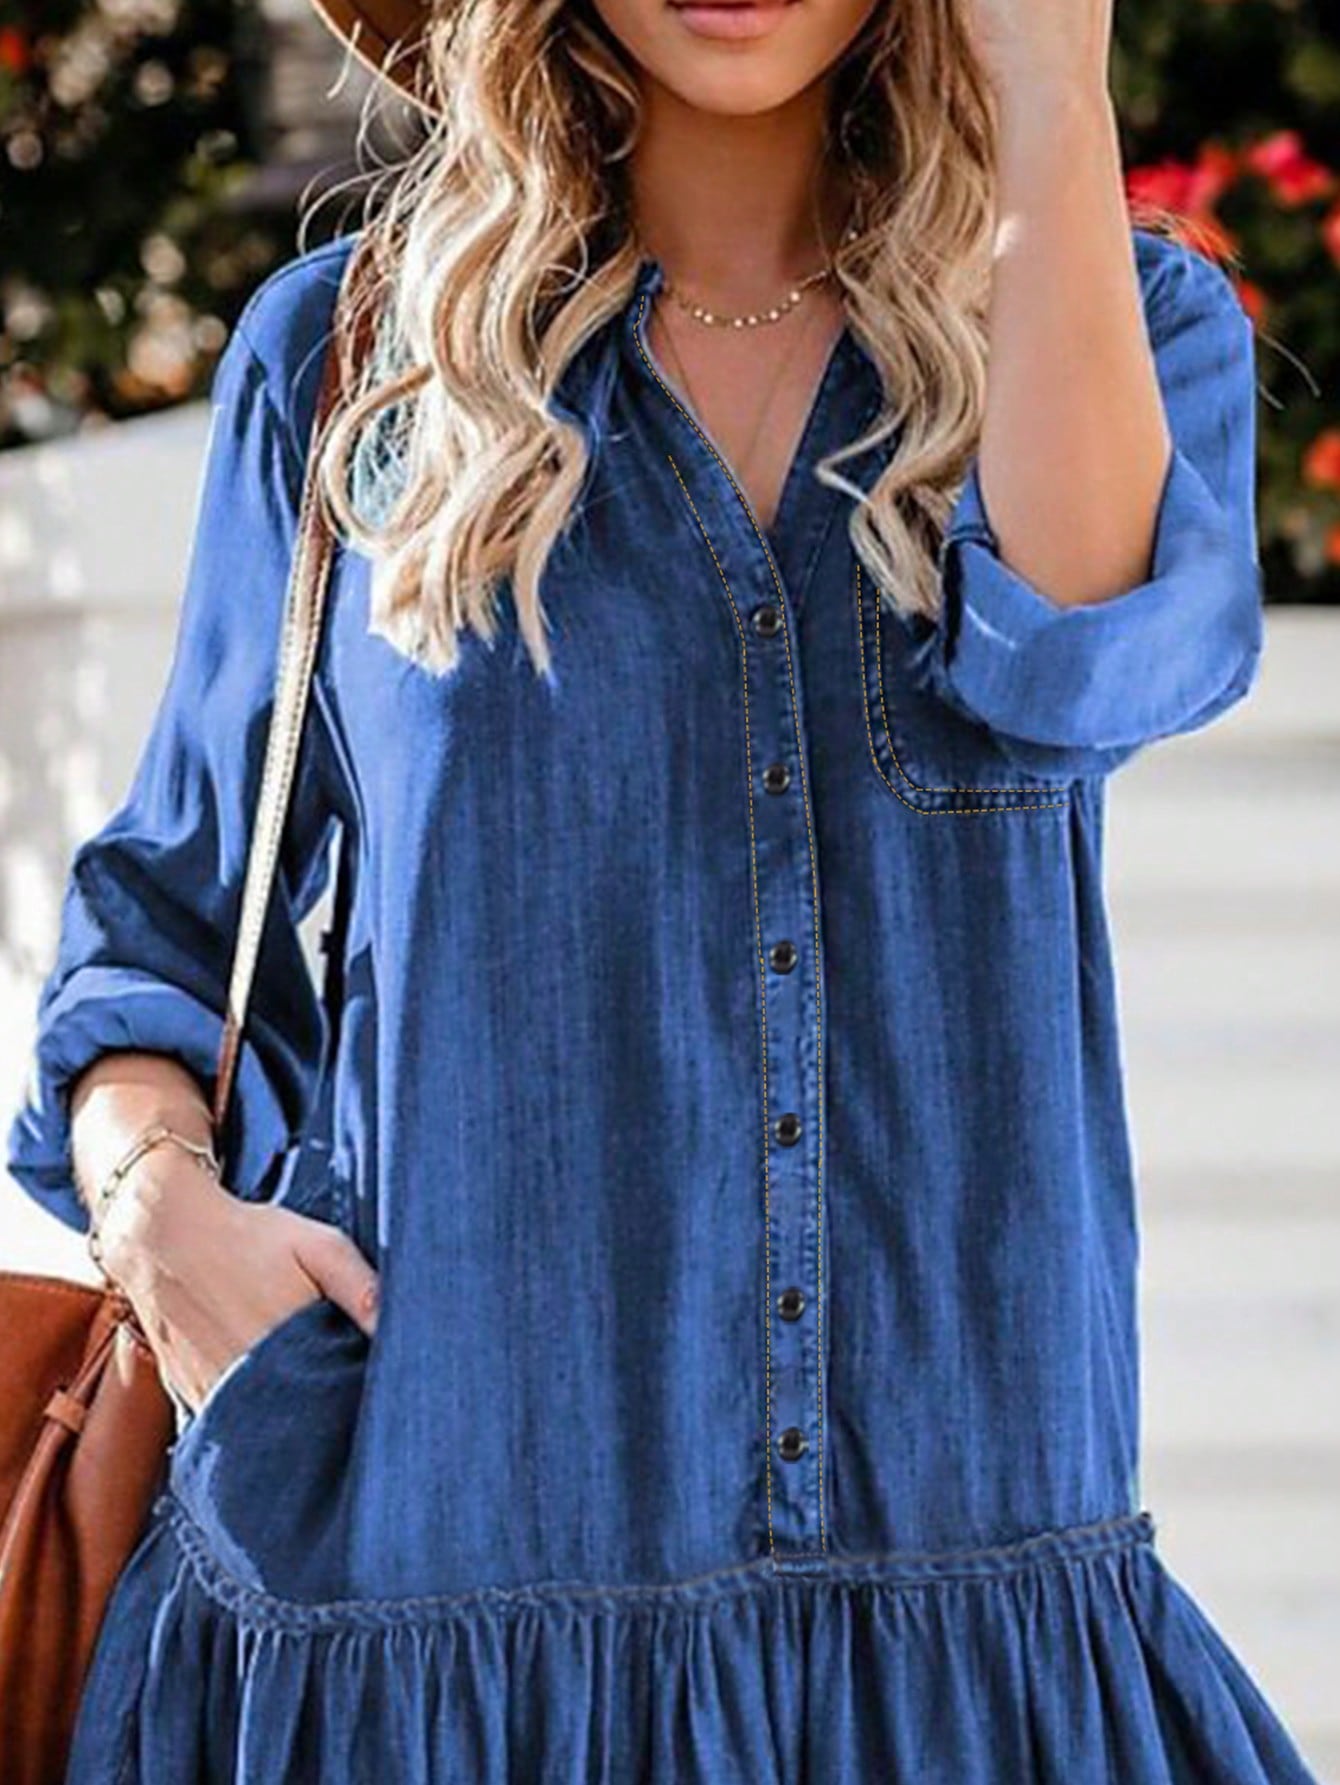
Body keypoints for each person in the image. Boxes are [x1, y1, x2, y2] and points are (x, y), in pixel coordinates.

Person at [6, 0, 1322, 1780]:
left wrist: (1049, 81)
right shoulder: (354, 362)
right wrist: (159, 1208)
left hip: (960, 1632)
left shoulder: (1108, 317)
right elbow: (162, 924)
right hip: (416, 1601)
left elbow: (1088, 663)